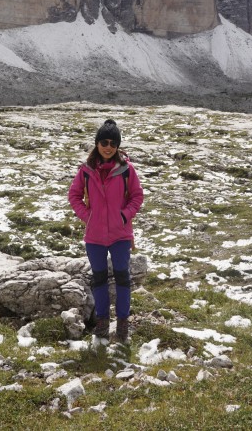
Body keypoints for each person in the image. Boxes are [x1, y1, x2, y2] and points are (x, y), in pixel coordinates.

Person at [68, 119, 144, 342]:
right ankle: (102, 323)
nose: (108, 146)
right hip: (95, 236)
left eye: (112, 142)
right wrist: (87, 216)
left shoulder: (127, 170)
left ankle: (122, 326)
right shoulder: (86, 170)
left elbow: (137, 196)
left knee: (122, 279)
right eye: (104, 141)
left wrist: (124, 215)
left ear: (118, 145)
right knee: (99, 279)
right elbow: (74, 196)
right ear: (97, 143)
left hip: (120, 235)